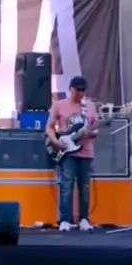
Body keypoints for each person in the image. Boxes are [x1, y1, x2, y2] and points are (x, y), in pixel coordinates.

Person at [47, 76, 98, 232]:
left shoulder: (90, 106)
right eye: (78, 90)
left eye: (83, 90)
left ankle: (84, 219)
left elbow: (96, 129)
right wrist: (55, 141)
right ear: (70, 89)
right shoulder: (59, 105)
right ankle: (65, 220)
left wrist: (91, 133)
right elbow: (49, 127)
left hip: (86, 151)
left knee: (85, 187)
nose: (80, 93)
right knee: (67, 185)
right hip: (67, 151)